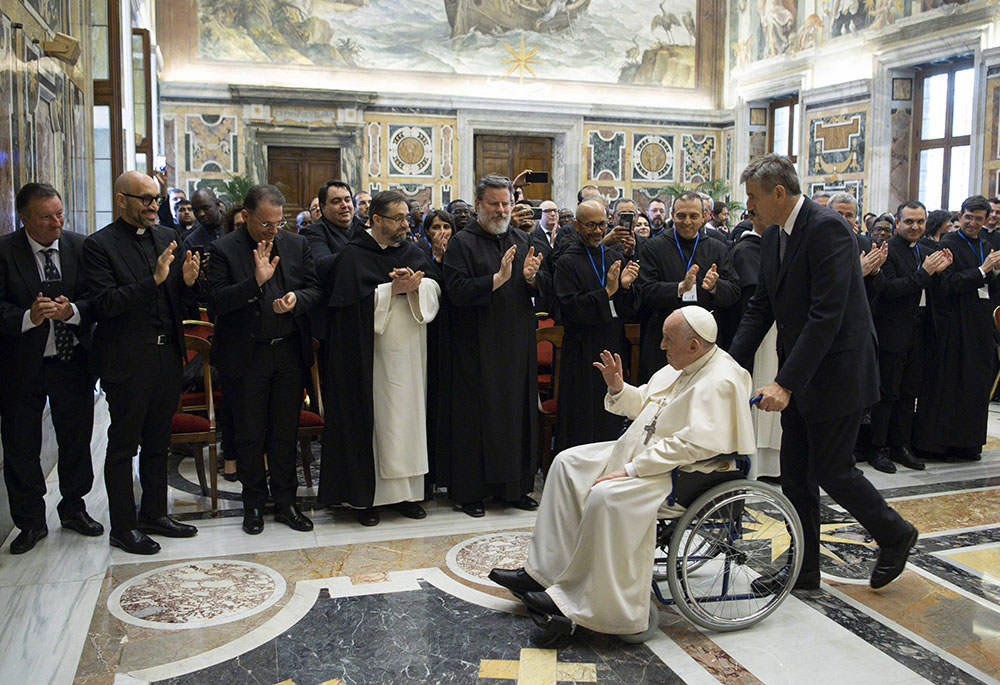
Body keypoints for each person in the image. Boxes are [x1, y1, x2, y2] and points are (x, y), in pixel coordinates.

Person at [490, 307, 755, 635]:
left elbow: (694, 445)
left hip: (683, 472)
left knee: (606, 495)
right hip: (644, 454)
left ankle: (593, 604)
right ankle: (544, 572)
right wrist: (618, 387)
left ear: (695, 345)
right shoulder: (679, 366)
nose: (661, 346)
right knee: (566, 463)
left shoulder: (723, 379)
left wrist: (631, 469)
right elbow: (644, 404)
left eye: (668, 340)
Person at [729, 154, 917, 591]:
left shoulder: (827, 227)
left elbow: (826, 315)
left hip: (838, 372)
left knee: (833, 470)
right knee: (796, 475)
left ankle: (895, 534)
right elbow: (761, 309)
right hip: (802, 372)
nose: (749, 207)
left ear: (779, 193)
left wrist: (784, 382)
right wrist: (726, 367)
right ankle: (804, 569)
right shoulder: (774, 235)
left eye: (754, 197)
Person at [82, 171, 201, 555]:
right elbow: (104, 305)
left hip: (168, 356)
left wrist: (186, 282)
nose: (153, 205)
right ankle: (124, 526)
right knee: (123, 446)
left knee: (158, 441)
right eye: (145, 198)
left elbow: (179, 300)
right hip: (127, 361)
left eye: (156, 198)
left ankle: (154, 514)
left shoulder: (167, 237)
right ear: (121, 200)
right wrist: (154, 280)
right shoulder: (99, 246)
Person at [319, 190, 441, 526]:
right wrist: (390, 292)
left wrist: (419, 286)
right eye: (398, 218)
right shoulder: (352, 256)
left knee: (408, 422)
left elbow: (435, 286)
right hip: (371, 358)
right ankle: (367, 499)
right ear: (375, 219)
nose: (406, 224)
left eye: (406, 217)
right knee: (380, 424)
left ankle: (408, 494)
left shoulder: (413, 251)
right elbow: (345, 310)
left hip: (412, 353)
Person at [206, 184, 321, 535]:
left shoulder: (296, 244)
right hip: (246, 356)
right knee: (250, 434)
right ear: (247, 216)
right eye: (266, 224)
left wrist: (295, 300)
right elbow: (215, 303)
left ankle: (286, 502)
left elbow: (315, 288)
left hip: (287, 351)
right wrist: (255, 283)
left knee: (284, 432)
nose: (273, 230)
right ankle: (253, 504)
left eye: (278, 223)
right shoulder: (223, 249)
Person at [0, 183, 101, 555]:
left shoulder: (79, 246)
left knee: (75, 439)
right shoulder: (5, 252)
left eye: (59, 214)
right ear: (24, 218)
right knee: (21, 445)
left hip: (71, 360)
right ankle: (30, 521)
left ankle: (74, 508)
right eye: (46, 217)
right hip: (22, 366)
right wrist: (27, 317)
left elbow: (96, 299)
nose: (56, 222)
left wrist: (72, 312)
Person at [440, 174, 544, 517]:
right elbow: (455, 292)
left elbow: (543, 290)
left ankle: (513, 489)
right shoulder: (461, 243)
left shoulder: (522, 239)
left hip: (516, 345)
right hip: (476, 347)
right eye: (494, 204)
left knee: (516, 416)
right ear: (479, 206)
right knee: (476, 419)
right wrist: (495, 280)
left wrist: (531, 280)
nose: (501, 210)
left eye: (506, 203)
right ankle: (471, 493)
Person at [913, 195, 999, 461]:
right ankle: (938, 445)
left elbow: (990, 288)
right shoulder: (947, 245)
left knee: (976, 384)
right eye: (968, 217)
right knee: (949, 385)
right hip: (953, 324)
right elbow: (946, 284)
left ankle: (969, 443)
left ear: (986, 220)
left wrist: (994, 274)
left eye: (978, 218)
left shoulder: (986, 245)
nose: (972, 223)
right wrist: (983, 272)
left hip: (980, 324)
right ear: (959, 217)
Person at [869, 201, 952, 473]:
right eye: (909, 221)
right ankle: (877, 448)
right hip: (893, 331)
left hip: (922, 329)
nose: (915, 226)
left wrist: (940, 273)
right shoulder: (888, 251)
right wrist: (925, 273)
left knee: (909, 392)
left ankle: (901, 445)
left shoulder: (928, 250)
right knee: (888, 393)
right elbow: (889, 289)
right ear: (898, 222)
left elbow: (938, 289)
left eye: (920, 221)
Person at [552, 201, 640, 453]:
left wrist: (624, 287)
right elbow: (570, 307)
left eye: (602, 224)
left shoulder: (614, 256)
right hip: (581, 350)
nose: (598, 231)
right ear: (577, 225)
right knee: (582, 413)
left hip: (612, 343)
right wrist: (607, 291)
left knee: (610, 412)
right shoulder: (566, 261)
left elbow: (628, 308)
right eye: (590, 225)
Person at [636, 191, 738, 381]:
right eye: (681, 216)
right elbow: (645, 292)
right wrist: (679, 288)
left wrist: (716, 286)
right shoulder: (653, 247)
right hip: (664, 339)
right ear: (672, 215)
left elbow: (733, 292)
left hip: (704, 339)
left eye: (694, 216)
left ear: (704, 217)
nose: (687, 222)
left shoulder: (718, 248)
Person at [182, 188, 224, 259]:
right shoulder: (191, 242)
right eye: (196, 210)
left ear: (217, 205)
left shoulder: (234, 228)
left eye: (206, 208)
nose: (201, 214)